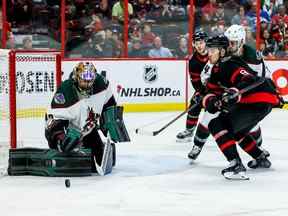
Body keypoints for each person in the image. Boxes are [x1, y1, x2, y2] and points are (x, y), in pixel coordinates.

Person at [202, 35, 280, 179]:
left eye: (213, 50)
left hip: (257, 100)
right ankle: (260, 158)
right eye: (209, 50)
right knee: (237, 132)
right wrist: (210, 101)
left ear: (223, 51)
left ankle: (236, 165)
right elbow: (211, 92)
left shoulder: (229, 63)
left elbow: (247, 79)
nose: (209, 53)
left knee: (216, 124)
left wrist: (232, 92)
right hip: (260, 102)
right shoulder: (217, 69)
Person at [44, 62, 125, 174]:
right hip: (68, 132)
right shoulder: (65, 90)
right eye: (84, 80)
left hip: (87, 130)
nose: (87, 84)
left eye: (90, 80)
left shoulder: (101, 84)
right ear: (77, 77)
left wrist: (111, 122)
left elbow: (109, 105)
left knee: (95, 163)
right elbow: (53, 122)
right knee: (73, 164)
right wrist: (60, 139)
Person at [176, 31, 209, 143]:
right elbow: (196, 82)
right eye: (196, 43)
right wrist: (201, 92)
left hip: (221, 86)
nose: (199, 45)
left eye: (201, 42)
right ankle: (189, 131)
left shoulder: (215, 53)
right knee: (194, 104)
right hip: (205, 88)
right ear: (193, 44)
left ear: (206, 42)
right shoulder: (193, 61)